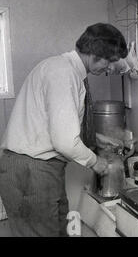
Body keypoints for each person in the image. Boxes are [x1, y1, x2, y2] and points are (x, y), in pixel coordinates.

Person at [0, 23, 128, 236]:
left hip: (42, 170)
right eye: (110, 61)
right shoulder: (63, 73)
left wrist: (96, 139)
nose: (110, 68)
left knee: (59, 230)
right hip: (31, 172)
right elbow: (65, 141)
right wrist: (96, 162)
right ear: (96, 54)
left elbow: (56, 125)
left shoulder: (65, 70)